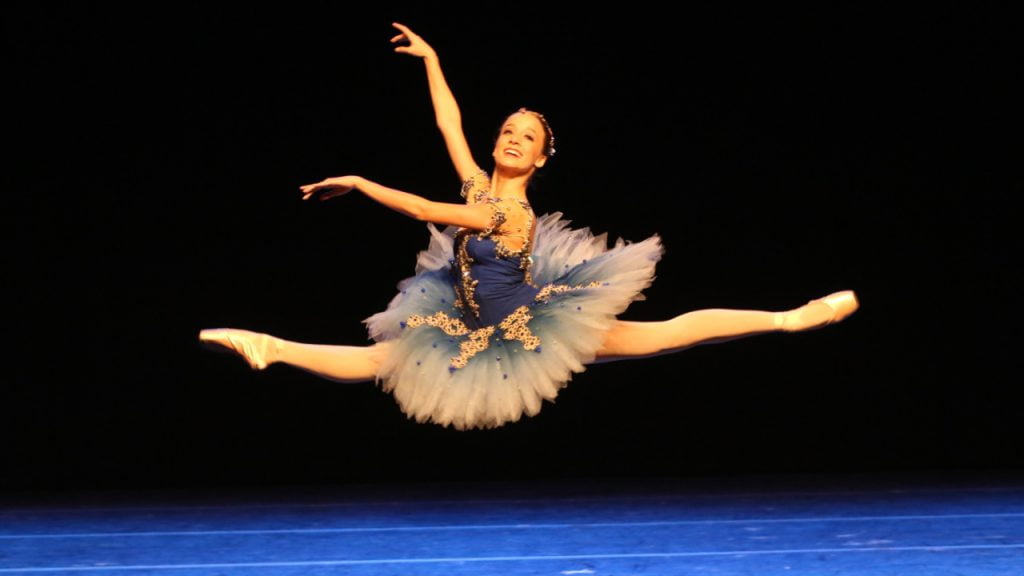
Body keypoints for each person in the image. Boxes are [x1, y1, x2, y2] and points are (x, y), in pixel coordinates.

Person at [199, 23, 859, 430]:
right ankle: (270, 346)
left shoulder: (503, 211)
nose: (514, 138)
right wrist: (432, 60)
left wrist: (360, 182)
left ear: (541, 158)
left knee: (663, 336)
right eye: (508, 130)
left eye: (528, 137)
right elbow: (449, 125)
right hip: (470, 320)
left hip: (528, 328)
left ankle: (789, 318)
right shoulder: (479, 187)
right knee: (382, 360)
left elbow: (425, 212)